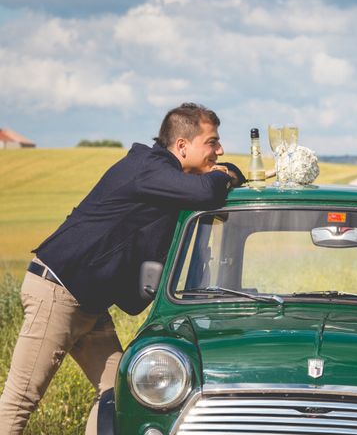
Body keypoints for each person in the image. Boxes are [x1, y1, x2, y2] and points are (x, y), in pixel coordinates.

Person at [0, 102, 246, 435]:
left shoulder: (164, 175)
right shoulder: (149, 169)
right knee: (20, 401)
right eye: (212, 142)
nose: (219, 149)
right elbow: (204, 192)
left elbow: (215, 184)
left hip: (87, 301)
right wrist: (222, 173)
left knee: (118, 393)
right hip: (58, 291)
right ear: (183, 146)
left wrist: (224, 171)